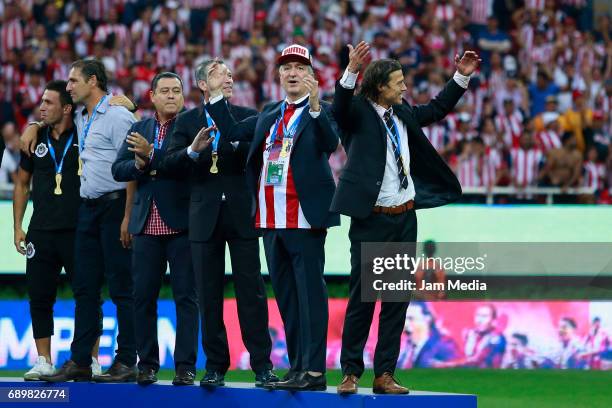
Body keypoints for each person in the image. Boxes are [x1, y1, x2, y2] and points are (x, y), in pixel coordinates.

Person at [331, 42, 479, 395]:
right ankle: (351, 372)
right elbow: (339, 106)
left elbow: (438, 108)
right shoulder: (356, 114)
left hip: (404, 219)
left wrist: (461, 76)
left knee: (396, 302)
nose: (404, 87)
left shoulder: (403, 114)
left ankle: (384, 374)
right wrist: (351, 70)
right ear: (380, 86)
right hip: (371, 220)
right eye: (398, 82)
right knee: (363, 299)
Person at [205, 44, 340, 391]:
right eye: (286, 68)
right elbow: (234, 132)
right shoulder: (269, 113)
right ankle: (297, 369)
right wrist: (217, 93)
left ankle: (314, 372)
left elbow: (329, 142)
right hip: (269, 220)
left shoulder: (321, 110)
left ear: (310, 75)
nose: (292, 73)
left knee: (310, 295)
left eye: (299, 67)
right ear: (278, 75)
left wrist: (314, 107)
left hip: (304, 219)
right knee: (288, 299)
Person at [163, 60, 276, 388]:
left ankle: (263, 366)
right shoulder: (185, 122)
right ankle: (215, 366)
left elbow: (257, 155)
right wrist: (192, 152)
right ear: (202, 85)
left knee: (251, 293)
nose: (228, 77)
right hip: (202, 217)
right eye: (218, 73)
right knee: (208, 295)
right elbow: (170, 165)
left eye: (229, 73)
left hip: (241, 214)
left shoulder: (246, 117)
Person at [39, 59, 138, 383]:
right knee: (84, 287)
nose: (68, 87)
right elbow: (52, 119)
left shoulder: (119, 115)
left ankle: (126, 360)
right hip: (88, 209)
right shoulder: (82, 115)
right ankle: (81, 359)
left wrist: (128, 216)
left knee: (122, 287)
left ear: (92, 81)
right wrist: (32, 126)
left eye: (72, 81)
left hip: (114, 207)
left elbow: (133, 165)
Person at [111, 72, 199, 386]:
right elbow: (117, 169)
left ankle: (185, 367)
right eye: (165, 91)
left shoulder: (192, 127)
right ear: (152, 96)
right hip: (146, 226)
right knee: (143, 298)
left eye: (177, 90)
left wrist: (151, 158)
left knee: (186, 299)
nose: (172, 95)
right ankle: (147, 365)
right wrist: (137, 163)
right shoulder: (139, 128)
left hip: (183, 226)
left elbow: (191, 165)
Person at [12, 81, 102, 380]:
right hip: (41, 231)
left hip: (80, 230)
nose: (41, 107)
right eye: (41, 102)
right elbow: (22, 184)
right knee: (39, 296)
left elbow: (120, 105)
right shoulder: (34, 137)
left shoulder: (85, 132)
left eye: (48, 103)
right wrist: (18, 227)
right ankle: (43, 360)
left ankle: (90, 359)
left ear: (66, 108)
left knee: (87, 295)